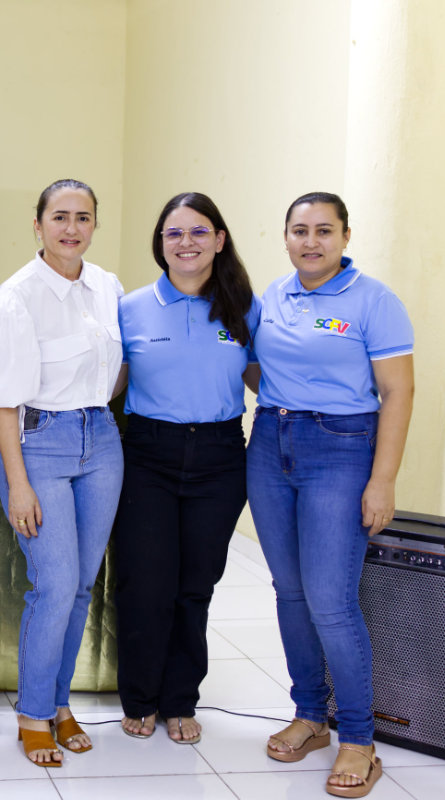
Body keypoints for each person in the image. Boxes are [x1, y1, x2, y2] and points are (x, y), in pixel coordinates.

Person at [249, 193, 413, 798]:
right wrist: (287, 400)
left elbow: (398, 392)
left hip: (342, 448)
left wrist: (382, 478)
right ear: (285, 237)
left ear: (346, 236)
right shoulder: (273, 296)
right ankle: (311, 715)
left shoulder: (374, 300)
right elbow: (255, 366)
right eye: (300, 230)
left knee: (331, 601)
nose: (311, 241)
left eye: (324, 230)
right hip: (271, 442)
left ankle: (359, 739)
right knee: (289, 591)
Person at [0, 179, 124, 767]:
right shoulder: (14, 298)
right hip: (39, 445)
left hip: (101, 439)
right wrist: (18, 481)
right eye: (59, 217)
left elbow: (116, 370)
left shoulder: (106, 286)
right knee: (54, 584)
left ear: (94, 225)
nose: (71, 228)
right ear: (37, 225)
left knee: (81, 584)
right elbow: (1, 400)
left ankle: (59, 704)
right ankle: (33, 714)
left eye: (83, 217)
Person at [113, 192, 260, 743]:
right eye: (173, 233)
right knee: (145, 584)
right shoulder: (131, 307)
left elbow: (265, 379)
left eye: (198, 231)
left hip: (220, 457)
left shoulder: (244, 306)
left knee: (195, 585)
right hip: (147, 454)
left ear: (219, 240)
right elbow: (107, 383)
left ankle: (180, 699)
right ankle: (140, 698)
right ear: (160, 244)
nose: (186, 243)